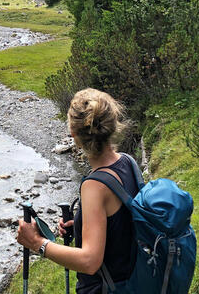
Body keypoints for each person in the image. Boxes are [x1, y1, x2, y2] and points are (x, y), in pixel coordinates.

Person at [16, 88, 140, 293]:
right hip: (134, 280)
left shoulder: (95, 186)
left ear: (73, 133)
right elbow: (123, 222)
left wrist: (37, 243)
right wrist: (83, 224)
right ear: (112, 123)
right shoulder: (128, 162)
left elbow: (90, 262)